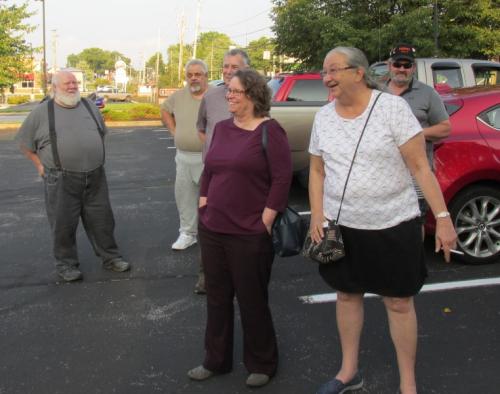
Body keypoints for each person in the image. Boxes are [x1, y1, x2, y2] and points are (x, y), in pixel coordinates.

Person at [308, 47, 457, 394]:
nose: (326, 78)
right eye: (323, 72)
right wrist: (317, 213)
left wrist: (443, 217)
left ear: (358, 73)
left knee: (400, 302)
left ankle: (408, 383)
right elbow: (317, 170)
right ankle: (348, 372)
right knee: (346, 295)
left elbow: (420, 166)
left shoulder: (392, 108)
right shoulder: (324, 117)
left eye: (333, 70)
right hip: (343, 226)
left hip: (393, 223)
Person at [187, 69, 293, 388]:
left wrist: (266, 219)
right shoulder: (220, 128)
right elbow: (210, 170)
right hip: (214, 227)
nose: (228, 96)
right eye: (228, 91)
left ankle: (262, 362)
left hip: (250, 232)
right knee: (217, 299)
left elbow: (281, 179)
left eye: (234, 91)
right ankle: (215, 360)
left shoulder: (270, 131)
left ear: (253, 95)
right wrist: (204, 201)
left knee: (252, 299)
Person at [16, 70, 130, 282]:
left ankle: (111, 258)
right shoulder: (43, 112)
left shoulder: (88, 105)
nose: (72, 86)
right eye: (67, 83)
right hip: (61, 179)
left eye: (74, 83)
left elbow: (101, 133)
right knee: (63, 225)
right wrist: (39, 165)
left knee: (103, 221)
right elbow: (24, 143)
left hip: (95, 176)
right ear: (55, 87)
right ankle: (66, 265)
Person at [386, 43, 451, 234]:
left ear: (413, 68)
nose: (402, 69)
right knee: (384, 228)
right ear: (390, 65)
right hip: (383, 175)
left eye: (407, 65)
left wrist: (414, 134)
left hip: (417, 175)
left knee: (414, 226)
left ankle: (414, 262)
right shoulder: (376, 91)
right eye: (398, 64)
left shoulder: (428, 93)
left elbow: (445, 128)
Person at [160, 59, 210, 293]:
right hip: (183, 156)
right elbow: (165, 111)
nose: (194, 78)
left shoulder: (217, 96)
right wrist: (174, 131)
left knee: (212, 201)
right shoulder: (178, 96)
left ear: (206, 75)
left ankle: (211, 237)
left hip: (209, 157)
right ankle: (187, 233)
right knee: (185, 196)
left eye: (198, 74)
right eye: (190, 74)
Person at [196, 48, 250, 158]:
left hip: (244, 169)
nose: (228, 71)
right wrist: (212, 149)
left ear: (246, 69)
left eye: (234, 67)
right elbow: (201, 129)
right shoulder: (209, 97)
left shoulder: (256, 99)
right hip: (214, 169)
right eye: (226, 66)